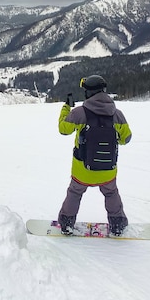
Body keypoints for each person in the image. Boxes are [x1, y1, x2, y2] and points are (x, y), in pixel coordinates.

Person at [58, 75, 132, 235]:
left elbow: (63, 129)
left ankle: (66, 224)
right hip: (107, 171)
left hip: (82, 170)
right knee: (111, 193)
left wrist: (66, 108)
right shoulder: (117, 114)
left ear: (88, 93)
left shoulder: (79, 113)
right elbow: (126, 138)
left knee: (75, 192)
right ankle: (118, 225)